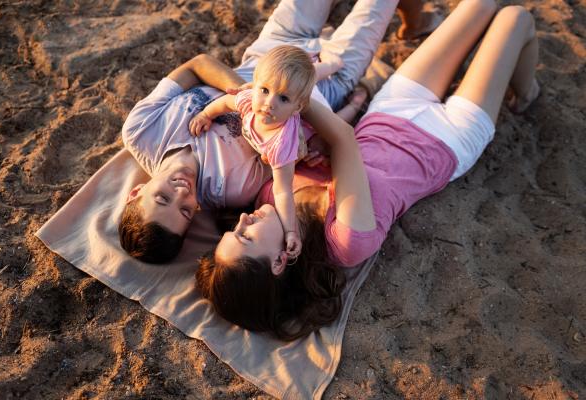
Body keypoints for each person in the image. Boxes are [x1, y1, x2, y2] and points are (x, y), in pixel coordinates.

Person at [196, 0, 540, 340]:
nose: (243, 219)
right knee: (514, 17)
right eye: (244, 236)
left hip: (387, 113)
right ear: (278, 262)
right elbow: (344, 140)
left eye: (234, 229)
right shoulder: (345, 243)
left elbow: (319, 143)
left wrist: (309, 137)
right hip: (446, 139)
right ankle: (527, 94)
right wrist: (290, 95)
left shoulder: (268, 196)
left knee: (481, 5)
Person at [119, 0, 437, 263]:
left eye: (162, 198)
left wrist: (254, 94)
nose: (182, 192)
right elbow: (287, 157)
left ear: (136, 192)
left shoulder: (141, 131)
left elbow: (198, 65)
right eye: (186, 210)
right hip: (323, 87)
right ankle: (415, 17)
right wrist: (297, 128)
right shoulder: (231, 189)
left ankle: (415, 17)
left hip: (271, 54)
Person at [189, 45, 345, 260]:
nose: (269, 103)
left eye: (283, 99)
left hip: (311, 121)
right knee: (300, 79)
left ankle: (334, 64)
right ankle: (315, 65)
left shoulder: (281, 145)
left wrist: (290, 231)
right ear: (256, 86)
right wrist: (206, 115)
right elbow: (225, 103)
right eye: (264, 90)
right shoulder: (249, 101)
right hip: (293, 91)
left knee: (320, 97)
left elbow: (282, 191)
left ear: (297, 108)